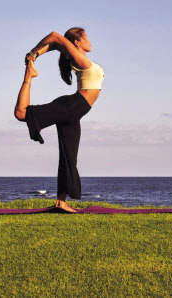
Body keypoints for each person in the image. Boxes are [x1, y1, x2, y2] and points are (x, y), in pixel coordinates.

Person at [14, 27, 104, 213]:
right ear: (76, 43)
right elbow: (55, 37)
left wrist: (36, 54)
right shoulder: (81, 61)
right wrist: (32, 53)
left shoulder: (80, 59)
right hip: (71, 106)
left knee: (68, 157)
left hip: (74, 113)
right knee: (21, 113)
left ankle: (61, 202)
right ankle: (28, 77)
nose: (90, 40)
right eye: (86, 37)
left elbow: (55, 45)